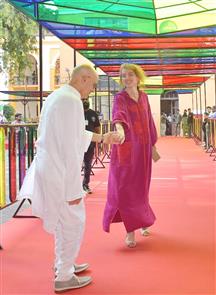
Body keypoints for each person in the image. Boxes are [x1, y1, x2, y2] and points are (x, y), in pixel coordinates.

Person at [18, 64, 121, 292]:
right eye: (92, 84)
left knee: (64, 223)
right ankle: (64, 275)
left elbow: (74, 134)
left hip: (54, 169)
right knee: (74, 222)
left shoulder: (59, 96)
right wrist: (74, 188)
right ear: (83, 79)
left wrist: (103, 137)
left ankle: (64, 265)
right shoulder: (71, 101)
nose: (92, 90)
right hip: (61, 172)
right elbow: (70, 147)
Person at [103, 63, 159, 248]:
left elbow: (149, 121)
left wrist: (152, 147)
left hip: (143, 150)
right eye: (123, 75)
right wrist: (119, 130)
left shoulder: (143, 97)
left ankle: (142, 221)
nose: (126, 78)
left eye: (130, 75)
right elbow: (118, 116)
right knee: (125, 190)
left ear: (138, 77)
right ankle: (130, 231)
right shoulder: (120, 98)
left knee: (141, 188)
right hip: (126, 149)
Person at [82, 99, 100, 194]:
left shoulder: (93, 114)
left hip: (90, 142)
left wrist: (98, 139)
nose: (85, 101)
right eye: (83, 99)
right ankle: (74, 186)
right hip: (78, 143)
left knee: (88, 164)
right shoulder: (77, 111)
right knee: (75, 164)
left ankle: (85, 184)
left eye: (86, 99)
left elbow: (97, 127)